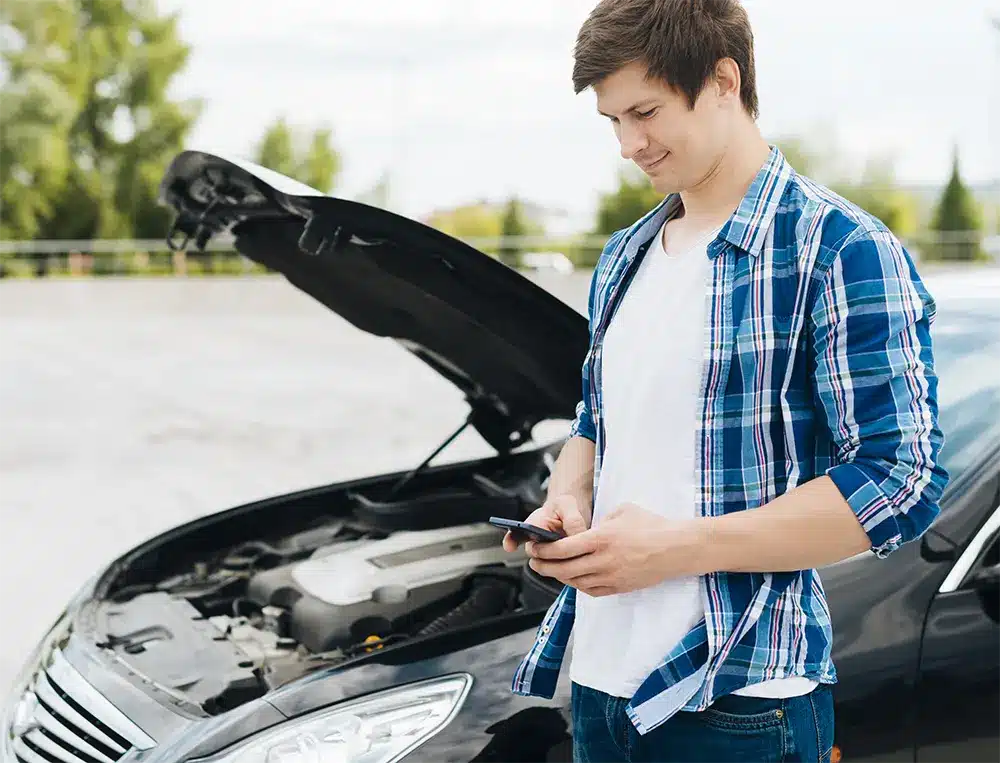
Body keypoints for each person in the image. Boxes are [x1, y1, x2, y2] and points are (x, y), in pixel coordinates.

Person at [500, 1, 949, 761]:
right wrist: (568, 500)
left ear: (722, 81)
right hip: (601, 689)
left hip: (738, 704)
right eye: (612, 121)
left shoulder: (839, 249)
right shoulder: (624, 257)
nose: (628, 145)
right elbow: (595, 418)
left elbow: (899, 482)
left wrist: (676, 548)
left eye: (644, 111)